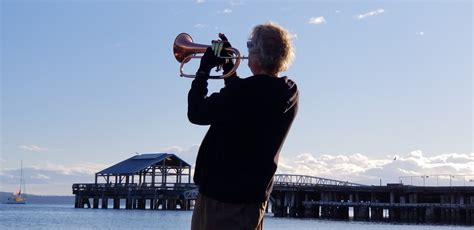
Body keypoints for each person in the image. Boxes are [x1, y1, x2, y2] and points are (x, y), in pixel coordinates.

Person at [188, 22, 299, 230]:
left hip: (219, 200)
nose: (246, 49)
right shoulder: (289, 91)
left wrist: (203, 69)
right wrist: (229, 68)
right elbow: (245, 102)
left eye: (249, 45)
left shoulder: (242, 93)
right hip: (253, 200)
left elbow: (196, 112)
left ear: (257, 54)